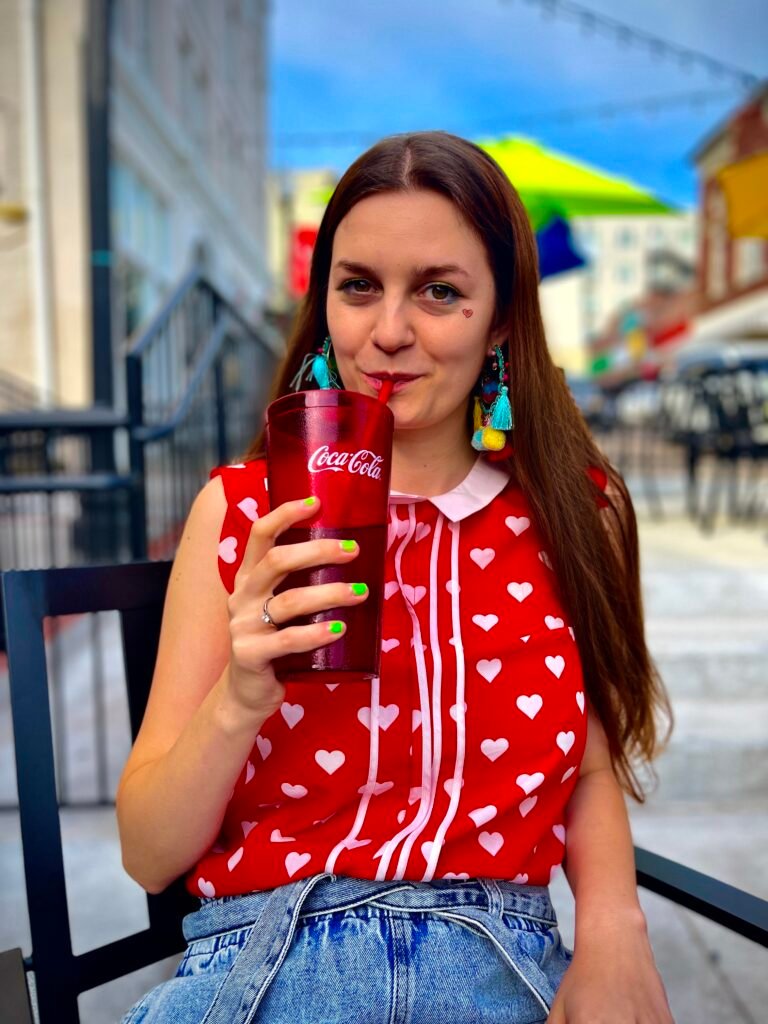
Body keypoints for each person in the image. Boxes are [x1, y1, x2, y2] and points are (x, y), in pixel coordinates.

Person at [117, 131, 675, 1024]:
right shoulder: (239, 513)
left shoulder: (573, 514)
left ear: (501, 318)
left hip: (497, 957)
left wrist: (614, 925)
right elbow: (147, 854)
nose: (386, 334)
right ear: (325, 300)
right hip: (266, 952)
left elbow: (590, 761)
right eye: (358, 286)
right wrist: (238, 695)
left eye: (440, 292)